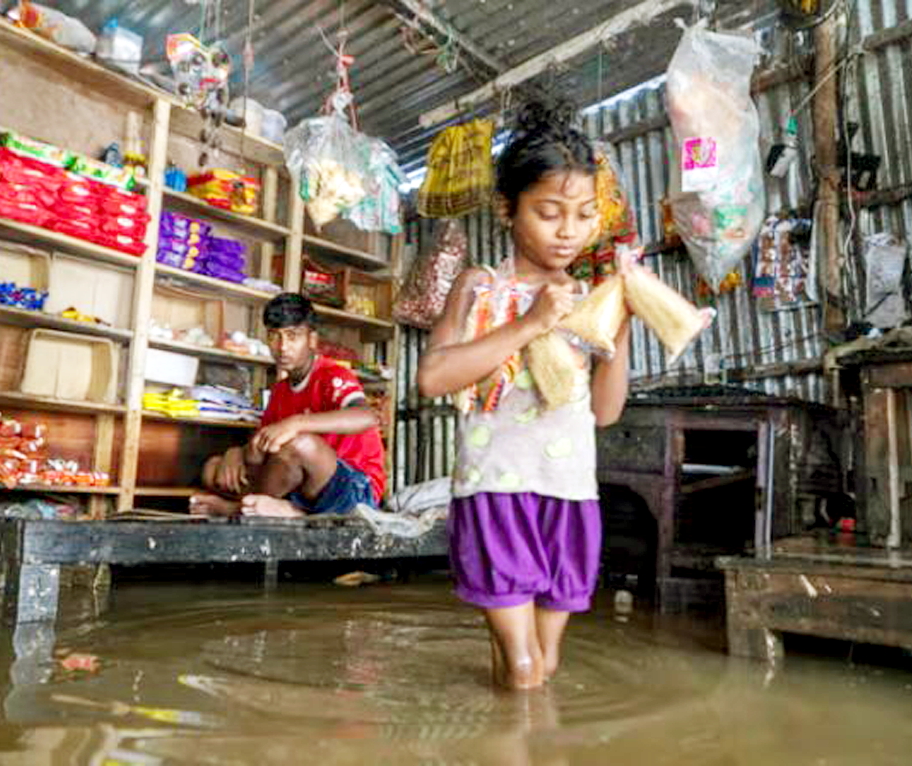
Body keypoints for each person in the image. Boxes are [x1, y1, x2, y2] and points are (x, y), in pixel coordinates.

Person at [417, 101, 633, 690]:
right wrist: (530, 322)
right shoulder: (479, 286)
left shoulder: (592, 300)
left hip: (569, 496)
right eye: (549, 212)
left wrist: (624, 324)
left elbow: (606, 412)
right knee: (524, 666)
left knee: (544, 662)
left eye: (585, 214)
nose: (569, 230)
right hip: (498, 489)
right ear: (508, 208)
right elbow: (433, 378)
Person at [190, 293, 386, 518]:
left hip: (356, 491)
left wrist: (296, 423)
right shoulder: (280, 391)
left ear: (312, 340)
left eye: (293, 336)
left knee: (301, 444)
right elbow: (262, 447)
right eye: (274, 336)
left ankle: (240, 509)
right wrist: (236, 453)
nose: (282, 347)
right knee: (213, 468)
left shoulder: (333, 375)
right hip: (304, 486)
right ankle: (285, 510)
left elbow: (367, 416)